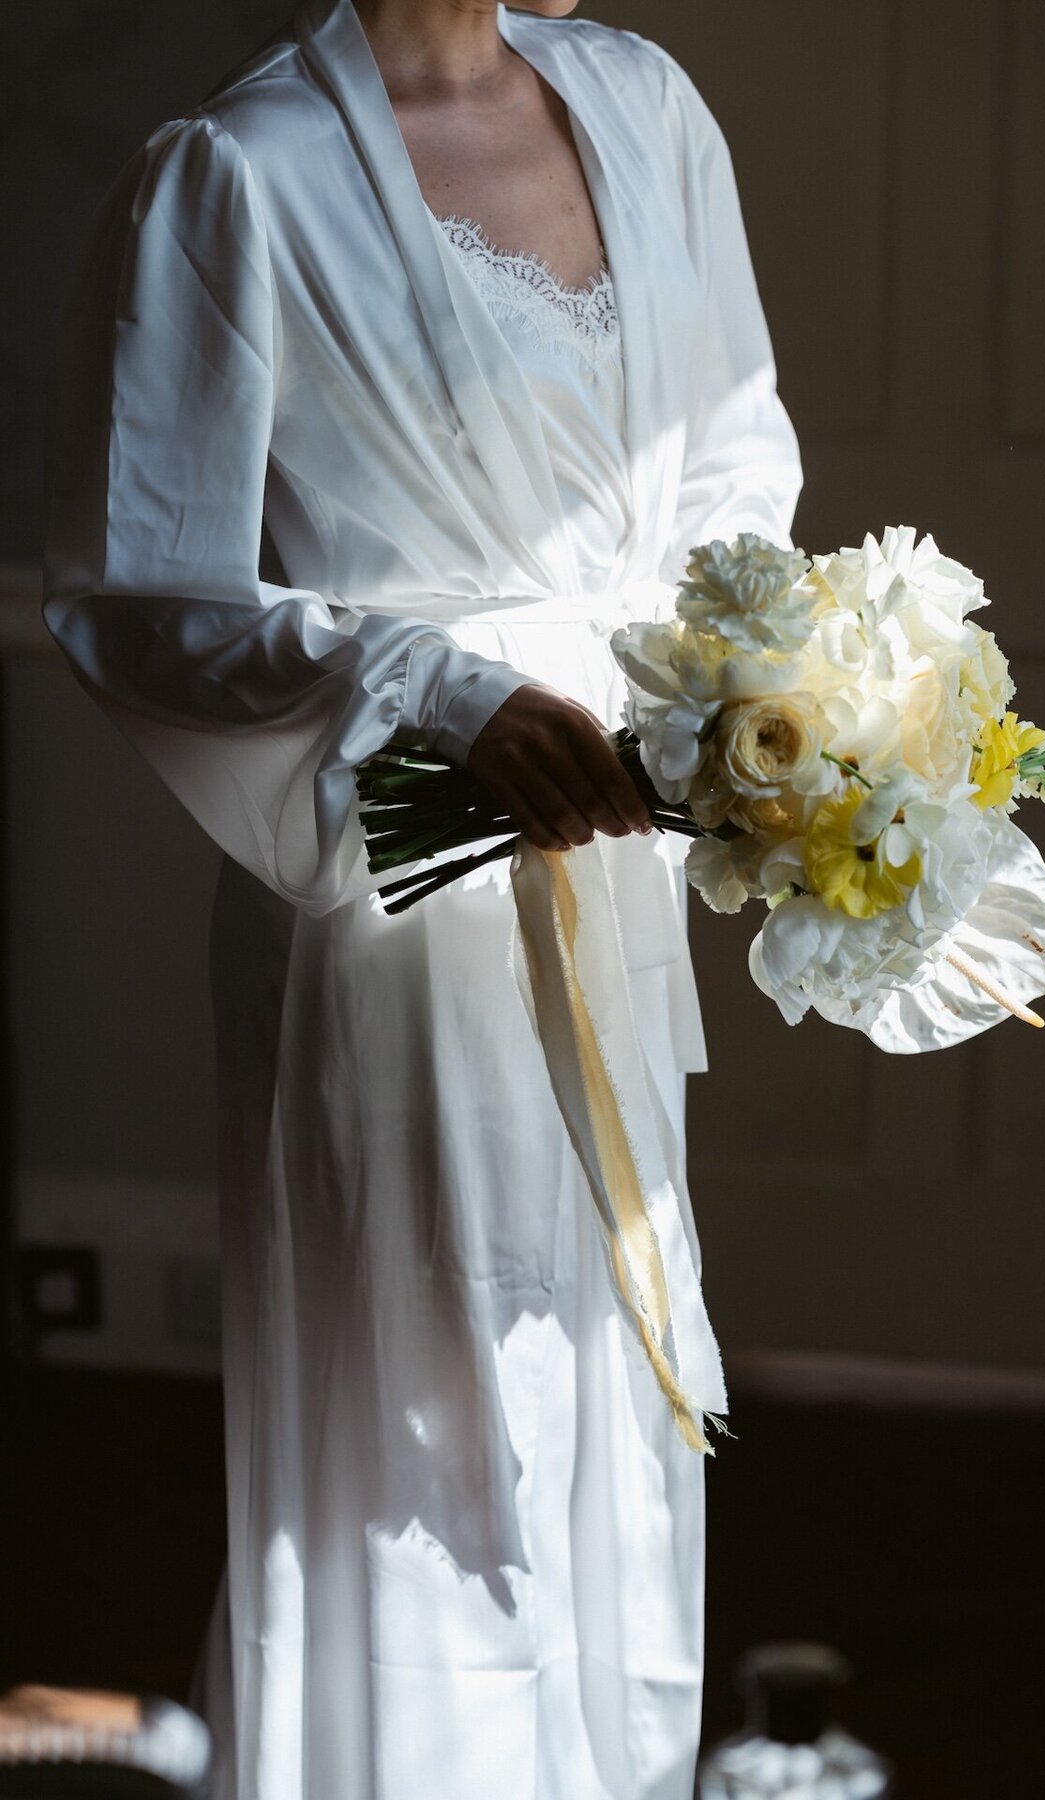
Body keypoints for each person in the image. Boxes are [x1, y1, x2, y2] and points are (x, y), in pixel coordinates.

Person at [42, 0, 801, 1794]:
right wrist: (439, 692)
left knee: (601, 1369)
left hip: (615, 846)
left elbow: (738, 469)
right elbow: (144, 596)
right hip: (397, 865)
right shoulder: (236, 174)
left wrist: (747, 704)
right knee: (430, 1420)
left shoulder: (646, 108)